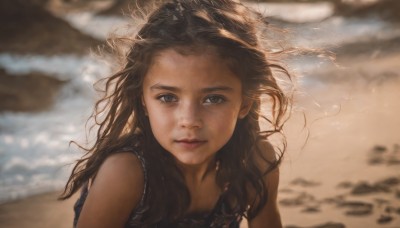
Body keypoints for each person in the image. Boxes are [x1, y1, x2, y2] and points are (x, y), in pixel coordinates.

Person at [60, 0, 292, 227]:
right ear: (143, 100)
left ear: (245, 103)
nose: (189, 121)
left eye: (213, 99)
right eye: (167, 98)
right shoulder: (127, 173)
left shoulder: (255, 161)